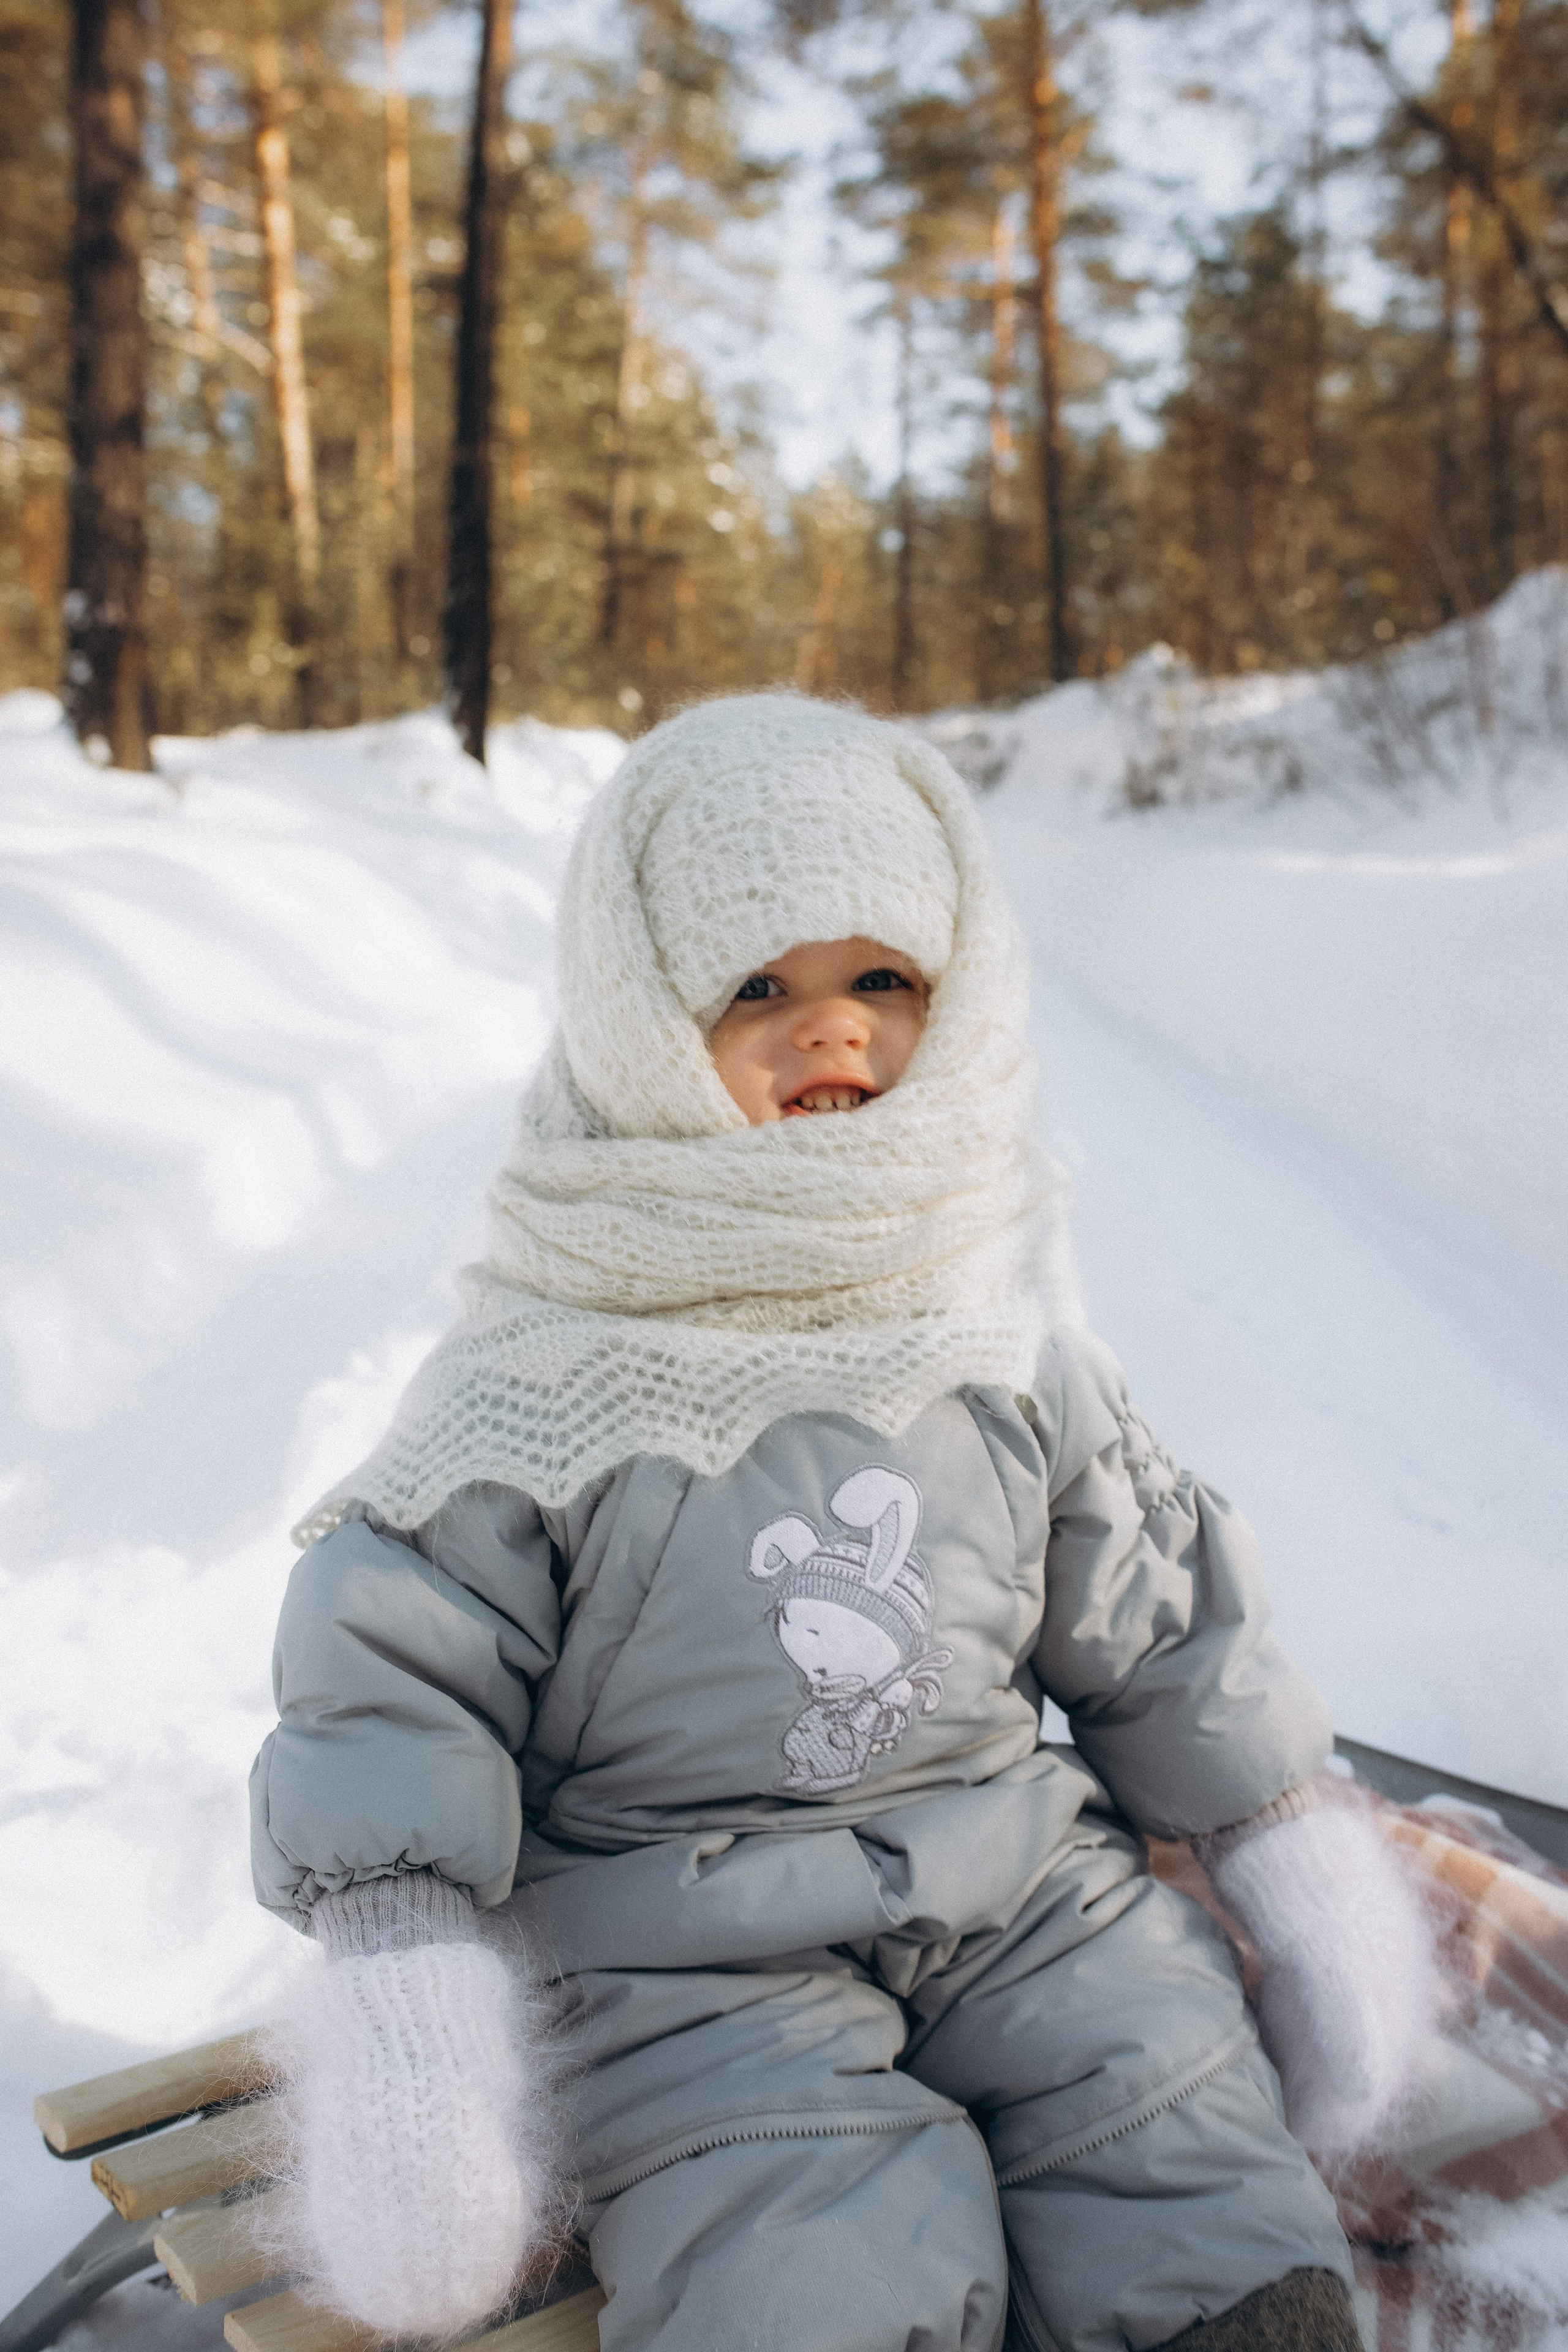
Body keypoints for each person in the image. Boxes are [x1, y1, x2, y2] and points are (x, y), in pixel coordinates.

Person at [251, 693, 1431, 2352]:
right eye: (759, 988)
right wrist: (404, 1980)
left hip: (1020, 1886)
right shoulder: (549, 1364)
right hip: (679, 1955)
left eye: (881, 978)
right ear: (642, 1019)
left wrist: (1277, 1839)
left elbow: (1155, 1614)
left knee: (1163, 2089)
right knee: (799, 2227)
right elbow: (393, 1676)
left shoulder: (996, 1318)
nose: (833, 1033)